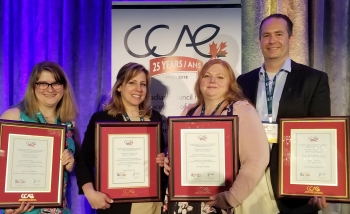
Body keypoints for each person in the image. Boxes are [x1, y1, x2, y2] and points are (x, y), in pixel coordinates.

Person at [237, 13, 330, 214]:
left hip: (294, 187)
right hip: (251, 182)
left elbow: (321, 135)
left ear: (291, 38)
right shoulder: (243, 82)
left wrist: (320, 183)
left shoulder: (313, 80)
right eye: (266, 35)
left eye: (279, 34)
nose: (272, 41)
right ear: (260, 40)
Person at [163, 59, 279, 214]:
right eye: (207, 76)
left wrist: (231, 198)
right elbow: (177, 152)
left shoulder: (241, 110)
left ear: (230, 83)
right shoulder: (189, 111)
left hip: (218, 201)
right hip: (182, 199)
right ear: (200, 81)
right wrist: (169, 160)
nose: (212, 81)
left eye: (220, 77)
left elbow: (257, 159)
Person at [75, 62, 166, 214]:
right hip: (115, 204)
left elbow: (160, 158)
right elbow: (84, 160)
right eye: (132, 82)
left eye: (143, 84)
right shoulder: (102, 119)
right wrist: (90, 193)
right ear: (119, 86)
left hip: (151, 203)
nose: (138, 89)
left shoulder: (154, 118)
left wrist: (163, 159)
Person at [0, 61, 79, 214]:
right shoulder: (14, 116)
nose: (50, 89)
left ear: (63, 87)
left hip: (60, 209)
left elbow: (75, 167)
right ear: (33, 86)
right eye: (43, 83)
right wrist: (4, 203)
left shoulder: (68, 122)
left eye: (56, 83)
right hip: (22, 210)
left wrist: (70, 165)